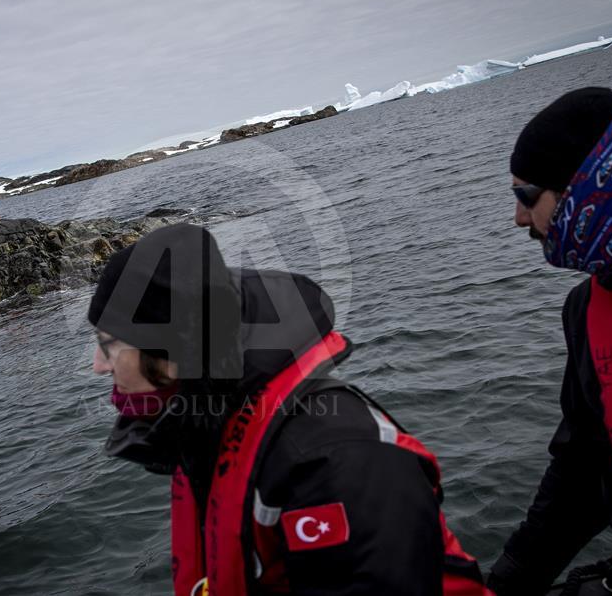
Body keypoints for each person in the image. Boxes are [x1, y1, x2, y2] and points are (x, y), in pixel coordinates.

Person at [88, 223, 490, 595]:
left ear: (175, 355)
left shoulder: (332, 457)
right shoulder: (205, 419)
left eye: (109, 344)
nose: (98, 365)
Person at [488, 87, 612, 595]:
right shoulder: (587, 310)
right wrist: (506, 584)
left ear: (591, 186)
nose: (518, 219)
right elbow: (584, 472)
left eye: (526, 197)